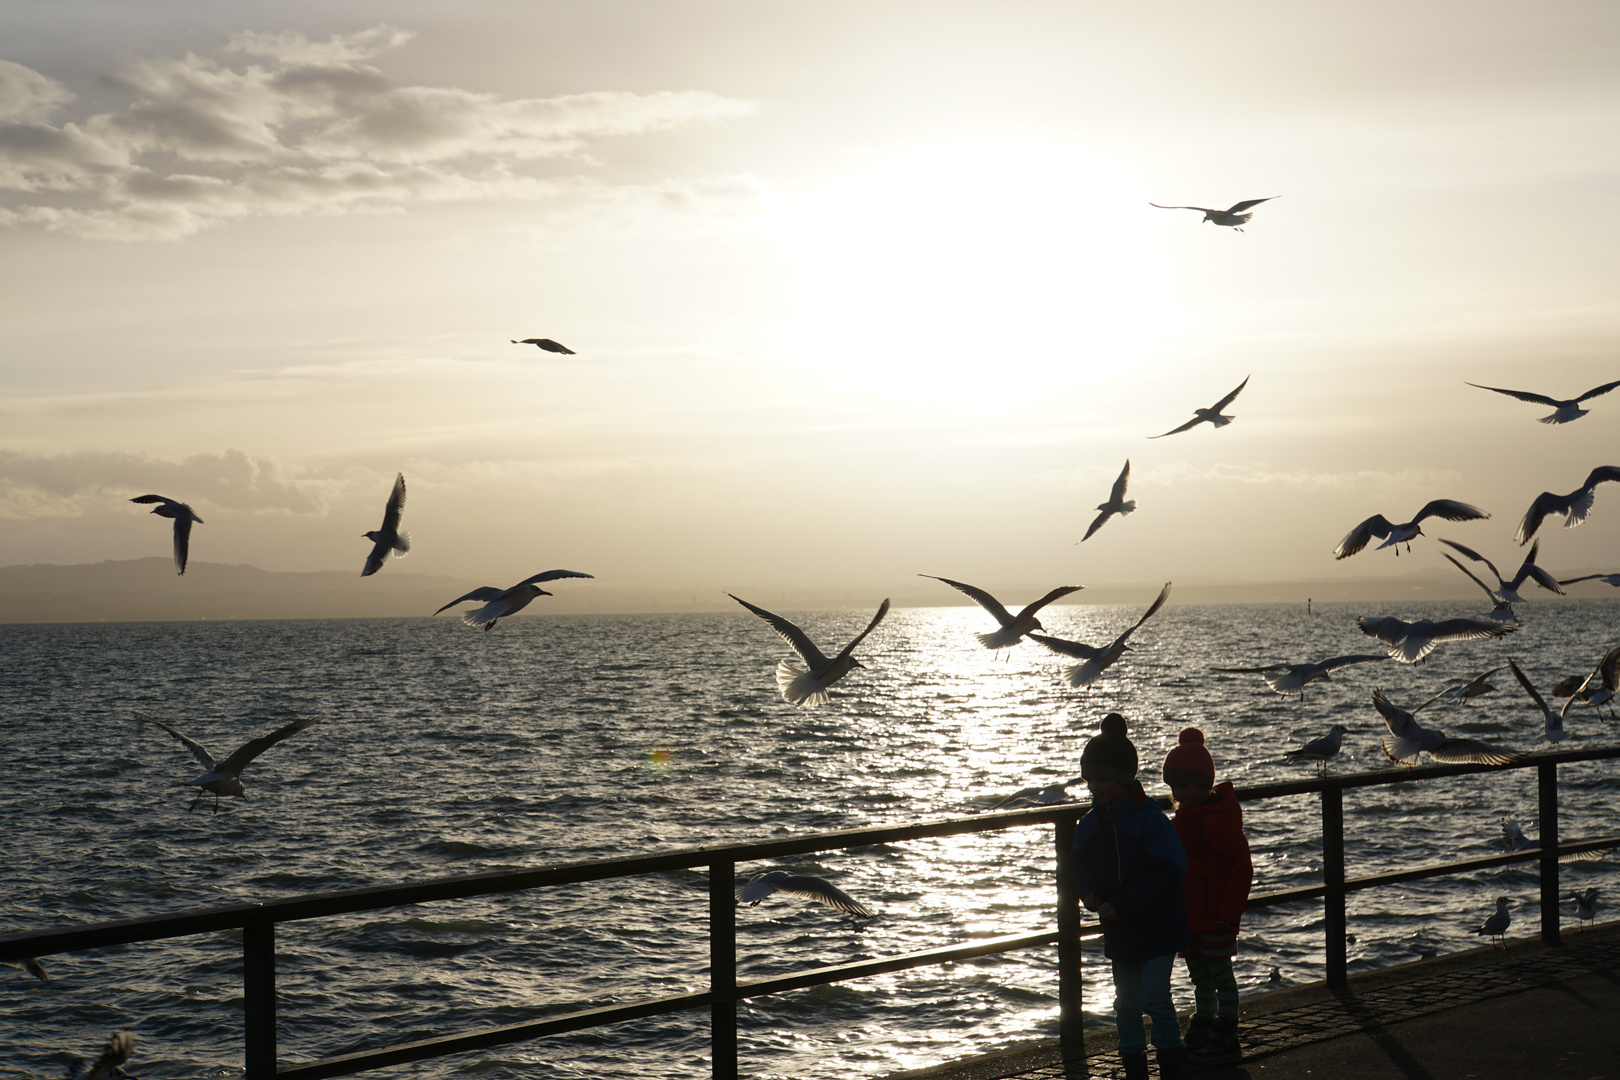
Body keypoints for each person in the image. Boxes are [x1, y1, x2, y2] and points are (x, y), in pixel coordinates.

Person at [1072, 713, 1190, 1080]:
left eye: (1102, 778)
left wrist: (1123, 904)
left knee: (1155, 997)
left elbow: (1170, 873)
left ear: (1123, 779)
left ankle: (1171, 1060)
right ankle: (1133, 1065)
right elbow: (1079, 863)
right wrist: (1088, 889)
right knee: (1125, 1004)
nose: (1094, 786)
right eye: (1090, 778)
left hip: (1156, 927)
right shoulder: (1092, 823)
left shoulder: (1151, 821)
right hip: (1120, 928)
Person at [1163, 727, 1254, 1068]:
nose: (1177, 794)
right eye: (1173, 787)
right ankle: (1205, 1022)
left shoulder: (1214, 821)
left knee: (1219, 974)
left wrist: (1229, 914)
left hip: (1215, 914)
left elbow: (1241, 869)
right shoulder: (1185, 818)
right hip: (1192, 914)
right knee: (1200, 974)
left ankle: (1226, 1031)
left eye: (1183, 786)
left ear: (1203, 784)